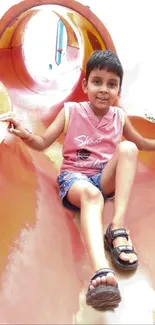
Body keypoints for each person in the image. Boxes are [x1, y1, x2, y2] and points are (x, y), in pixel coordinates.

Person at [2, 50, 155, 311]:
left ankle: (116, 228)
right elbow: (42, 142)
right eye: (97, 82)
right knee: (92, 196)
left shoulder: (119, 117)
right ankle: (100, 271)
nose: (104, 90)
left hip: (103, 177)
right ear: (84, 85)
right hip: (75, 180)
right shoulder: (71, 111)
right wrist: (25, 133)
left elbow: (142, 143)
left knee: (128, 149)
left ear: (118, 90)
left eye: (111, 84)